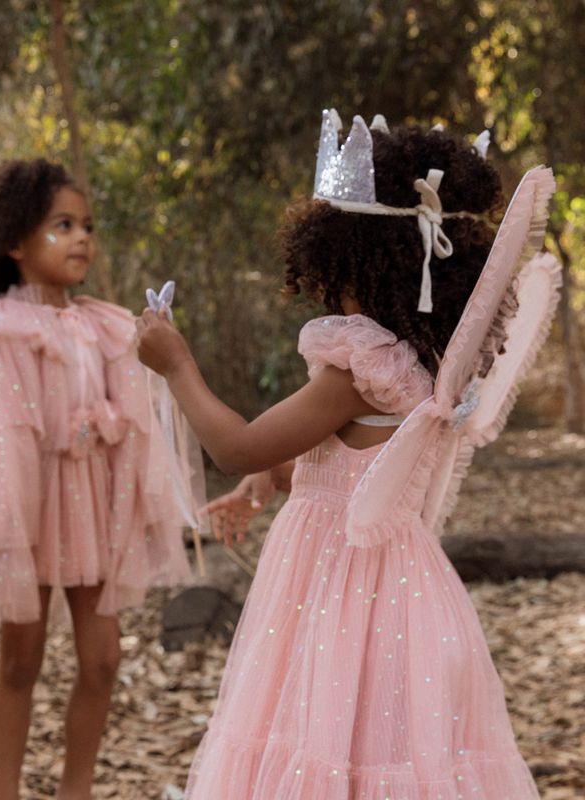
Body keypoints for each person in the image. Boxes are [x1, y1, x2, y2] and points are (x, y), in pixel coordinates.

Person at [136, 112, 560, 799]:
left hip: (338, 584)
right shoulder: (424, 362)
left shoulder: (356, 369)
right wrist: (265, 483)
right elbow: (330, 455)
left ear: (354, 262)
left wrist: (176, 364)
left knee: (323, 741)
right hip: (397, 586)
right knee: (374, 747)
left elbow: (233, 443)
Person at [0, 158, 192, 800]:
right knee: (20, 662)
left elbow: (136, 424)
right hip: (26, 511)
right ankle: (3, 792)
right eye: (62, 226)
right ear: (14, 241)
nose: (83, 237)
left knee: (104, 658)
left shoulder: (105, 324)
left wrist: (110, 434)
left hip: (91, 513)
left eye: (86, 225)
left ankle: (74, 791)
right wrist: (5, 528)